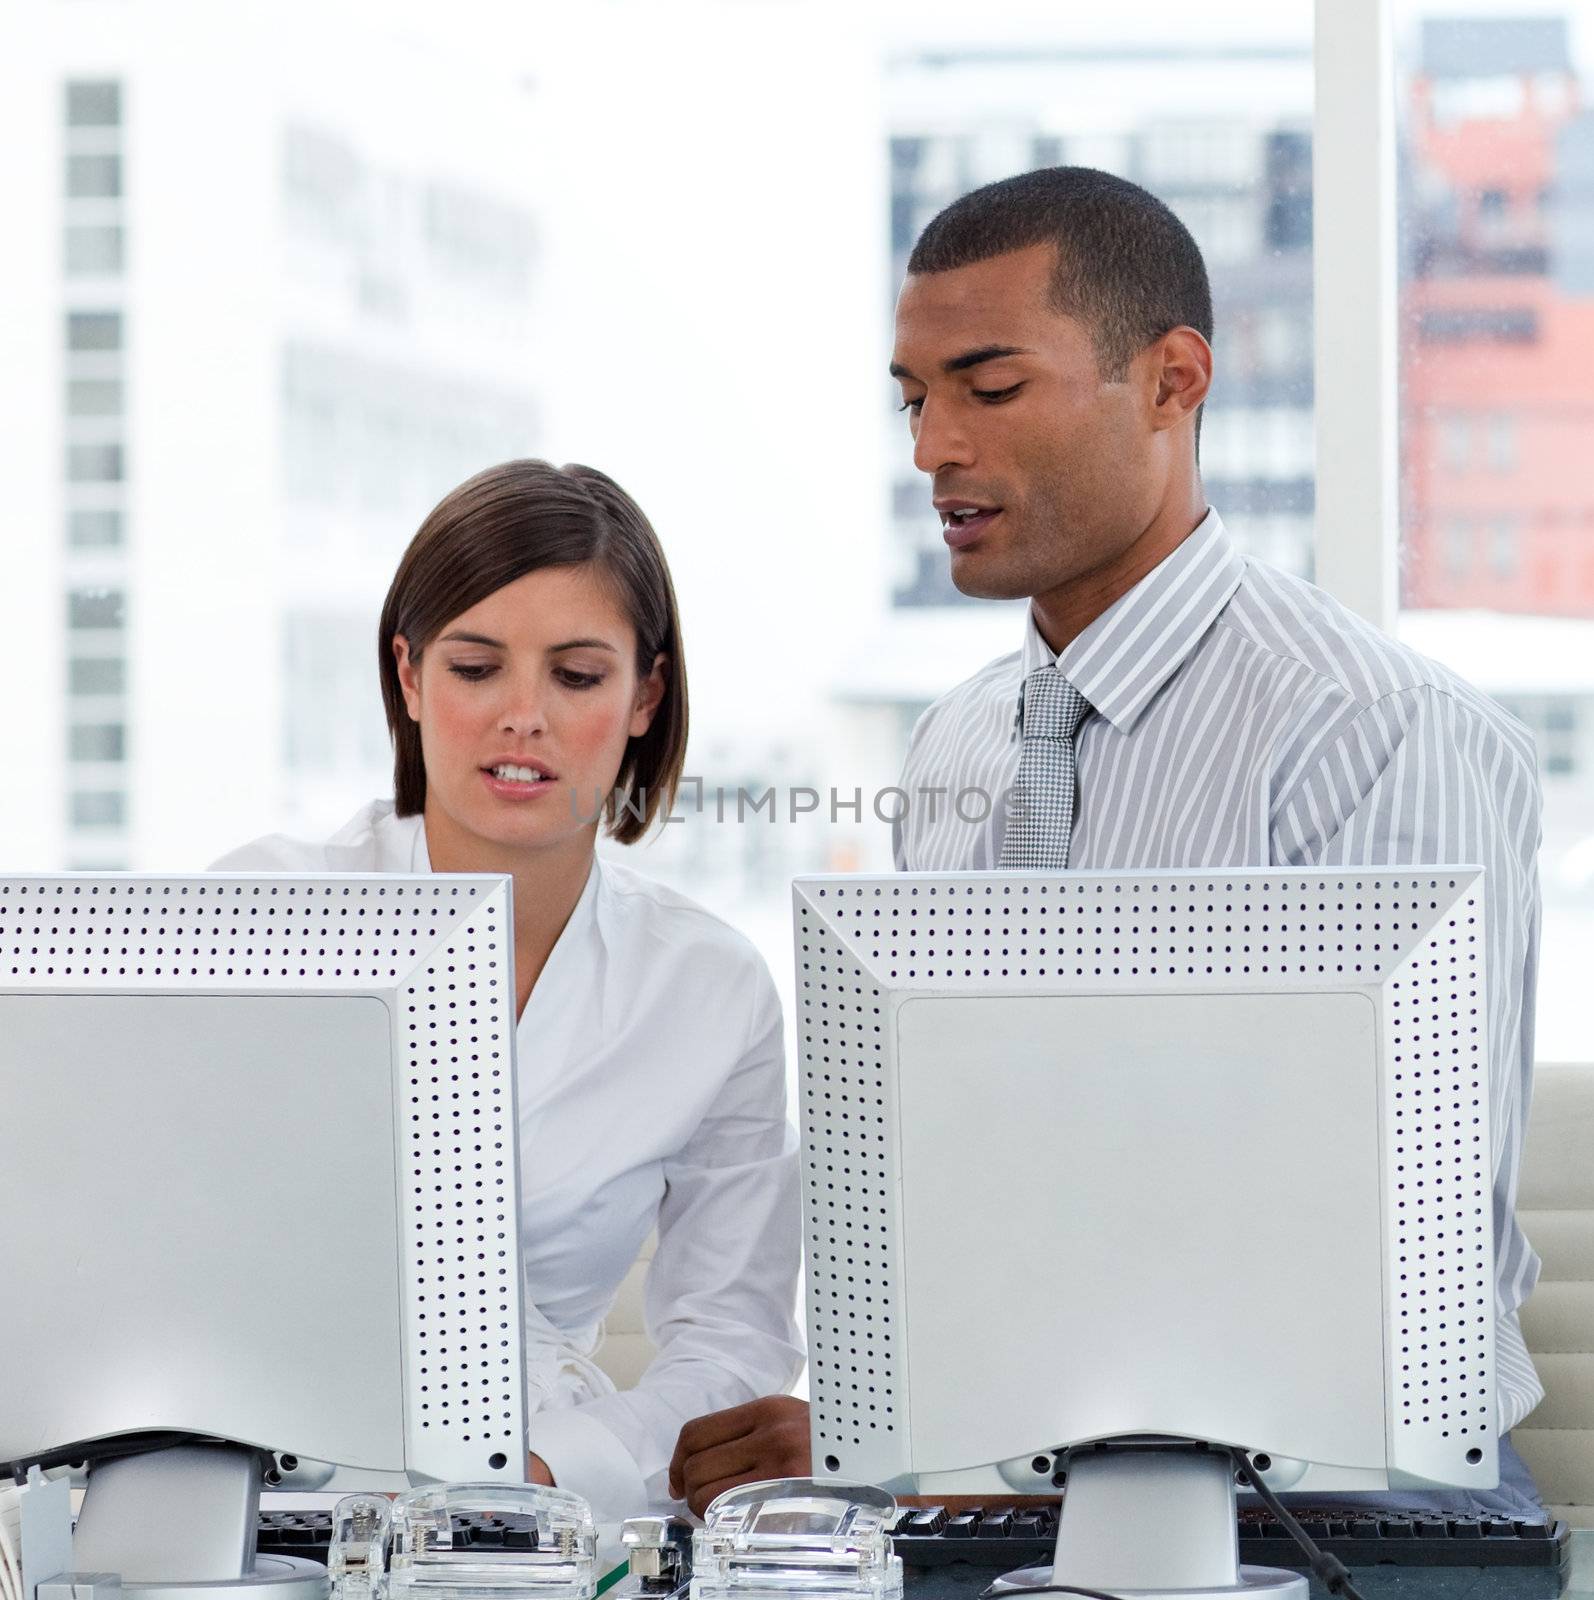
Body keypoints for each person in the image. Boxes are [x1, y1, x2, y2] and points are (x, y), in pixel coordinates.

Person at [671, 165, 1546, 1519]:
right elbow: (954, 1196)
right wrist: (877, 1434)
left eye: (989, 387)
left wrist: (1011, 1468)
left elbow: (1389, 1278)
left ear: (1172, 379)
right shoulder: (955, 746)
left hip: (1355, 1485)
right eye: (914, 401)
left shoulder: (1368, 732)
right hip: (1018, 1463)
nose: (930, 451)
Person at [214, 459, 803, 1519]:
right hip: (250, 1489)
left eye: (576, 677)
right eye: (477, 666)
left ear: (644, 696)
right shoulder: (266, 909)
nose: (520, 716)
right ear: (408, 676)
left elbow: (733, 1344)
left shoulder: (706, 987)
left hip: (537, 1518)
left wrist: (553, 1469)